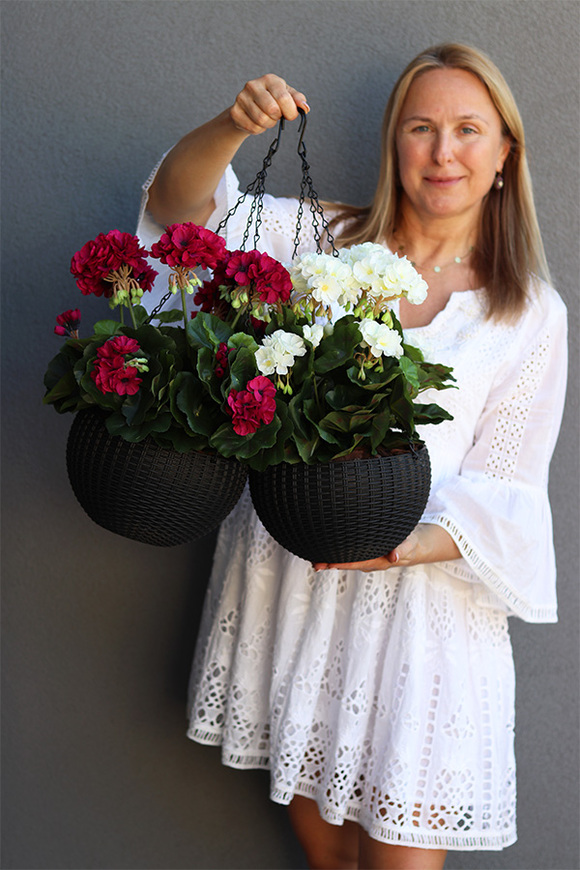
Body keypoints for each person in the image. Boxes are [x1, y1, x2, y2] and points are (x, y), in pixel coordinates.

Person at [137, 44, 567, 870]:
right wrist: (235, 125)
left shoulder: (526, 311)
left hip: (425, 618)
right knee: (332, 861)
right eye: (422, 128)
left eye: (469, 130)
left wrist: (396, 545)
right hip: (300, 590)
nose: (445, 152)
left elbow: (508, 489)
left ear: (506, 155)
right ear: (394, 145)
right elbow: (179, 211)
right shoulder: (316, 237)